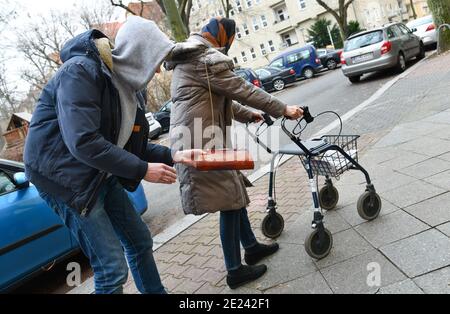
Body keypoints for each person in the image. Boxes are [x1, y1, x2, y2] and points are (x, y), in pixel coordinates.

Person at [23, 16, 199, 294]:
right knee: (111, 268)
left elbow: (132, 147)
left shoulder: (128, 90)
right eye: (156, 61)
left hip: (98, 172)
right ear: (139, 54)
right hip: (67, 180)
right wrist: (143, 170)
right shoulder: (80, 72)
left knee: (140, 240)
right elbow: (83, 141)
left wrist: (174, 155)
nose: (158, 72)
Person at [166, 17, 303, 289]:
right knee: (229, 199)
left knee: (234, 191)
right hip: (200, 144)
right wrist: (282, 108)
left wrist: (248, 115)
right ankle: (234, 270)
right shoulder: (202, 57)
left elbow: (219, 95)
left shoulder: (194, 58)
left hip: (201, 139)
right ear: (223, 37)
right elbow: (240, 89)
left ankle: (250, 247)